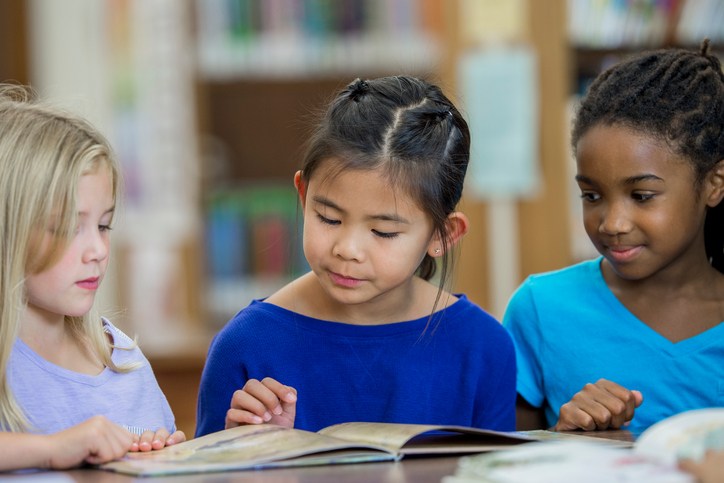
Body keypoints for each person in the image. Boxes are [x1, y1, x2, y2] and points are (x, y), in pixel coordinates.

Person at [195, 75, 516, 436]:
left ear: (443, 235)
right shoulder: (246, 344)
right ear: (303, 196)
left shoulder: (484, 348)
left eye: (383, 232)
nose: (347, 249)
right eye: (328, 218)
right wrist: (244, 453)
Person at [503, 39, 724, 433]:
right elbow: (506, 463)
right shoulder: (541, 308)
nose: (612, 223)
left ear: (714, 183)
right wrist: (563, 439)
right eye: (591, 195)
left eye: (641, 196)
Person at [0, 84, 185, 471]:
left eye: (104, 226)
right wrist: (51, 449)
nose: (98, 251)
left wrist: (159, 459)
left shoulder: (123, 360)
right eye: (68, 227)